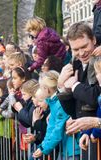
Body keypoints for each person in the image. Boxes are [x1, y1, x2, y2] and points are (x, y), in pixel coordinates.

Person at [58, 22, 101, 160]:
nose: (81, 53)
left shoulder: (99, 62)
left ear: (93, 40)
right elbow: (73, 110)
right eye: (76, 49)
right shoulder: (73, 65)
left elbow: (96, 98)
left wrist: (75, 85)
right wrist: (62, 87)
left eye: (84, 46)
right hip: (86, 134)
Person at [33, 71, 80, 159]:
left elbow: (57, 130)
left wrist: (44, 148)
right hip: (67, 147)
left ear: (47, 89)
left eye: (41, 87)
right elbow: (51, 128)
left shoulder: (58, 104)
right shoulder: (54, 102)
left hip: (73, 148)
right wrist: (43, 146)